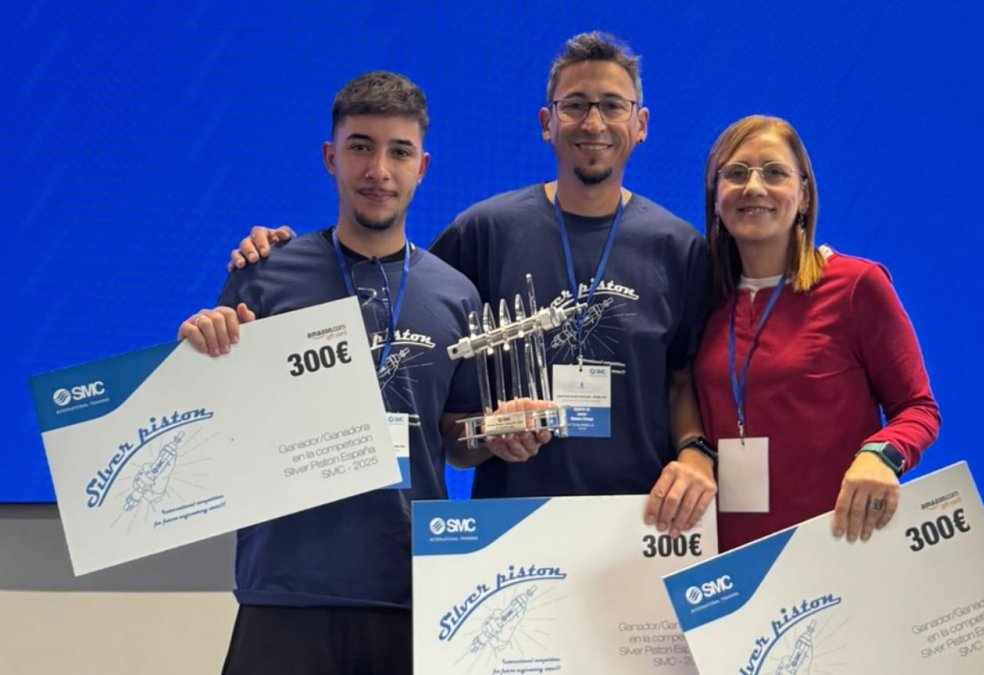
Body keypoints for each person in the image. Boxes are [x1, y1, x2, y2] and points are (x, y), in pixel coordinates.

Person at [229, 33, 717, 538]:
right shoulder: (484, 232)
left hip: (639, 525)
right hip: (508, 529)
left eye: (612, 105)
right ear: (547, 123)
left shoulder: (677, 248)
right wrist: (280, 256)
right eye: (575, 105)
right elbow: (392, 295)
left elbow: (685, 380)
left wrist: (696, 454)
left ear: (640, 124)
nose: (593, 123)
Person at [178, 71, 511, 675]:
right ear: (331, 157)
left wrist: (494, 434)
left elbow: (456, 443)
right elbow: (217, 428)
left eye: (398, 151)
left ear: (422, 166)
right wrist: (200, 352)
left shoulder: (457, 296)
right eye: (360, 147)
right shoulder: (264, 273)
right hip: (285, 590)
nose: (378, 169)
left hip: (411, 590)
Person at [693, 115, 941, 552]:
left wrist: (880, 455)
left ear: (803, 194)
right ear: (716, 197)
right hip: (731, 562)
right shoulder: (701, 299)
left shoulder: (856, 285)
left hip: (839, 548)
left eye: (774, 172)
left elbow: (918, 408)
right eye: (735, 173)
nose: (754, 187)